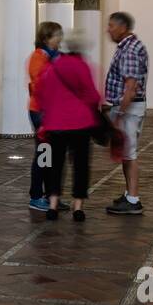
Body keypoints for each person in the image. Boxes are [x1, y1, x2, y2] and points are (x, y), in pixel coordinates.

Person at [35, 30, 103, 223]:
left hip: (55, 123)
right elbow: (93, 95)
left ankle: (53, 204)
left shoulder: (52, 66)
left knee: (55, 164)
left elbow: (40, 93)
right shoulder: (83, 66)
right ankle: (78, 206)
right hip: (80, 123)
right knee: (81, 165)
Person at [103, 11, 149, 216]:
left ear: (123, 27)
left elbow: (130, 85)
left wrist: (120, 112)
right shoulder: (130, 46)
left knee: (129, 154)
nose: (108, 29)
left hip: (129, 110)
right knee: (125, 153)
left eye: (111, 26)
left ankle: (133, 199)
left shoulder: (129, 50)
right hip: (128, 108)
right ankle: (129, 194)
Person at [28, 21, 63, 212]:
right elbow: (41, 86)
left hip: (52, 112)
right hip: (41, 112)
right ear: (46, 38)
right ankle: (36, 196)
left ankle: (51, 195)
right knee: (44, 154)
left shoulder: (52, 57)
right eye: (57, 36)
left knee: (53, 155)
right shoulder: (38, 58)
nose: (60, 39)